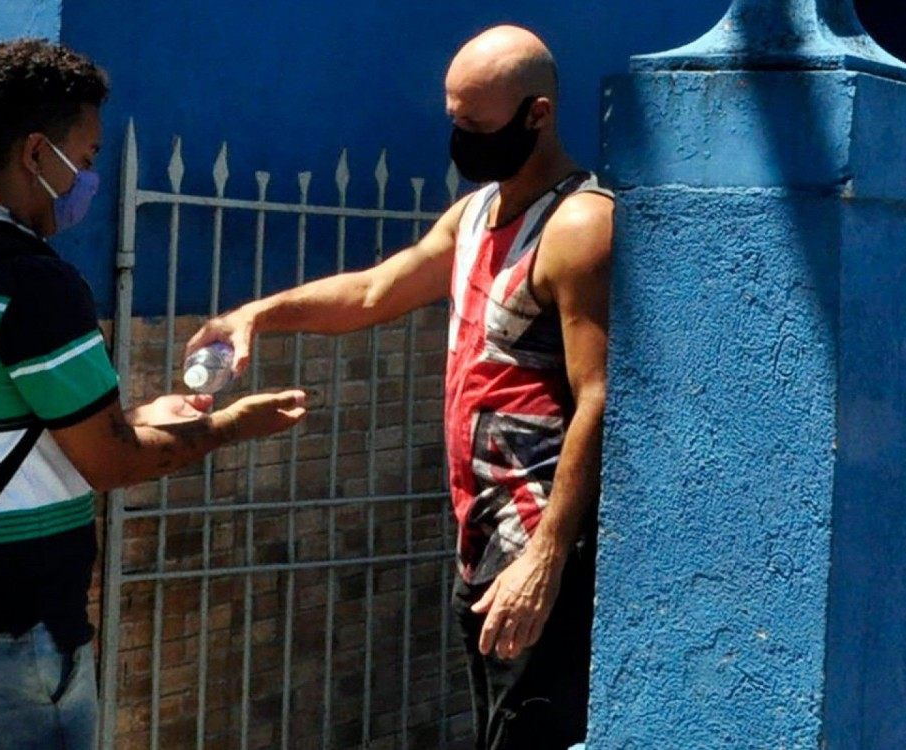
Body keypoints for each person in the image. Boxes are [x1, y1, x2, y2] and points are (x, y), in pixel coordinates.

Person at [186, 25, 612, 750]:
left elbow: (597, 397)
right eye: (454, 120)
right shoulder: (475, 216)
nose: (460, 140)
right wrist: (258, 314)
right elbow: (372, 291)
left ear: (537, 115)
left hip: (537, 546)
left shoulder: (578, 226)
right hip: (480, 544)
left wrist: (545, 560)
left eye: (477, 126)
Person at [0, 39, 306, 749]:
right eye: (89, 154)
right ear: (37, 153)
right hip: (8, 641)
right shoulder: (32, 283)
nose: (90, 176)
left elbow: (1, 436)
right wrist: (230, 425)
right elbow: (111, 462)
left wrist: (135, 418)